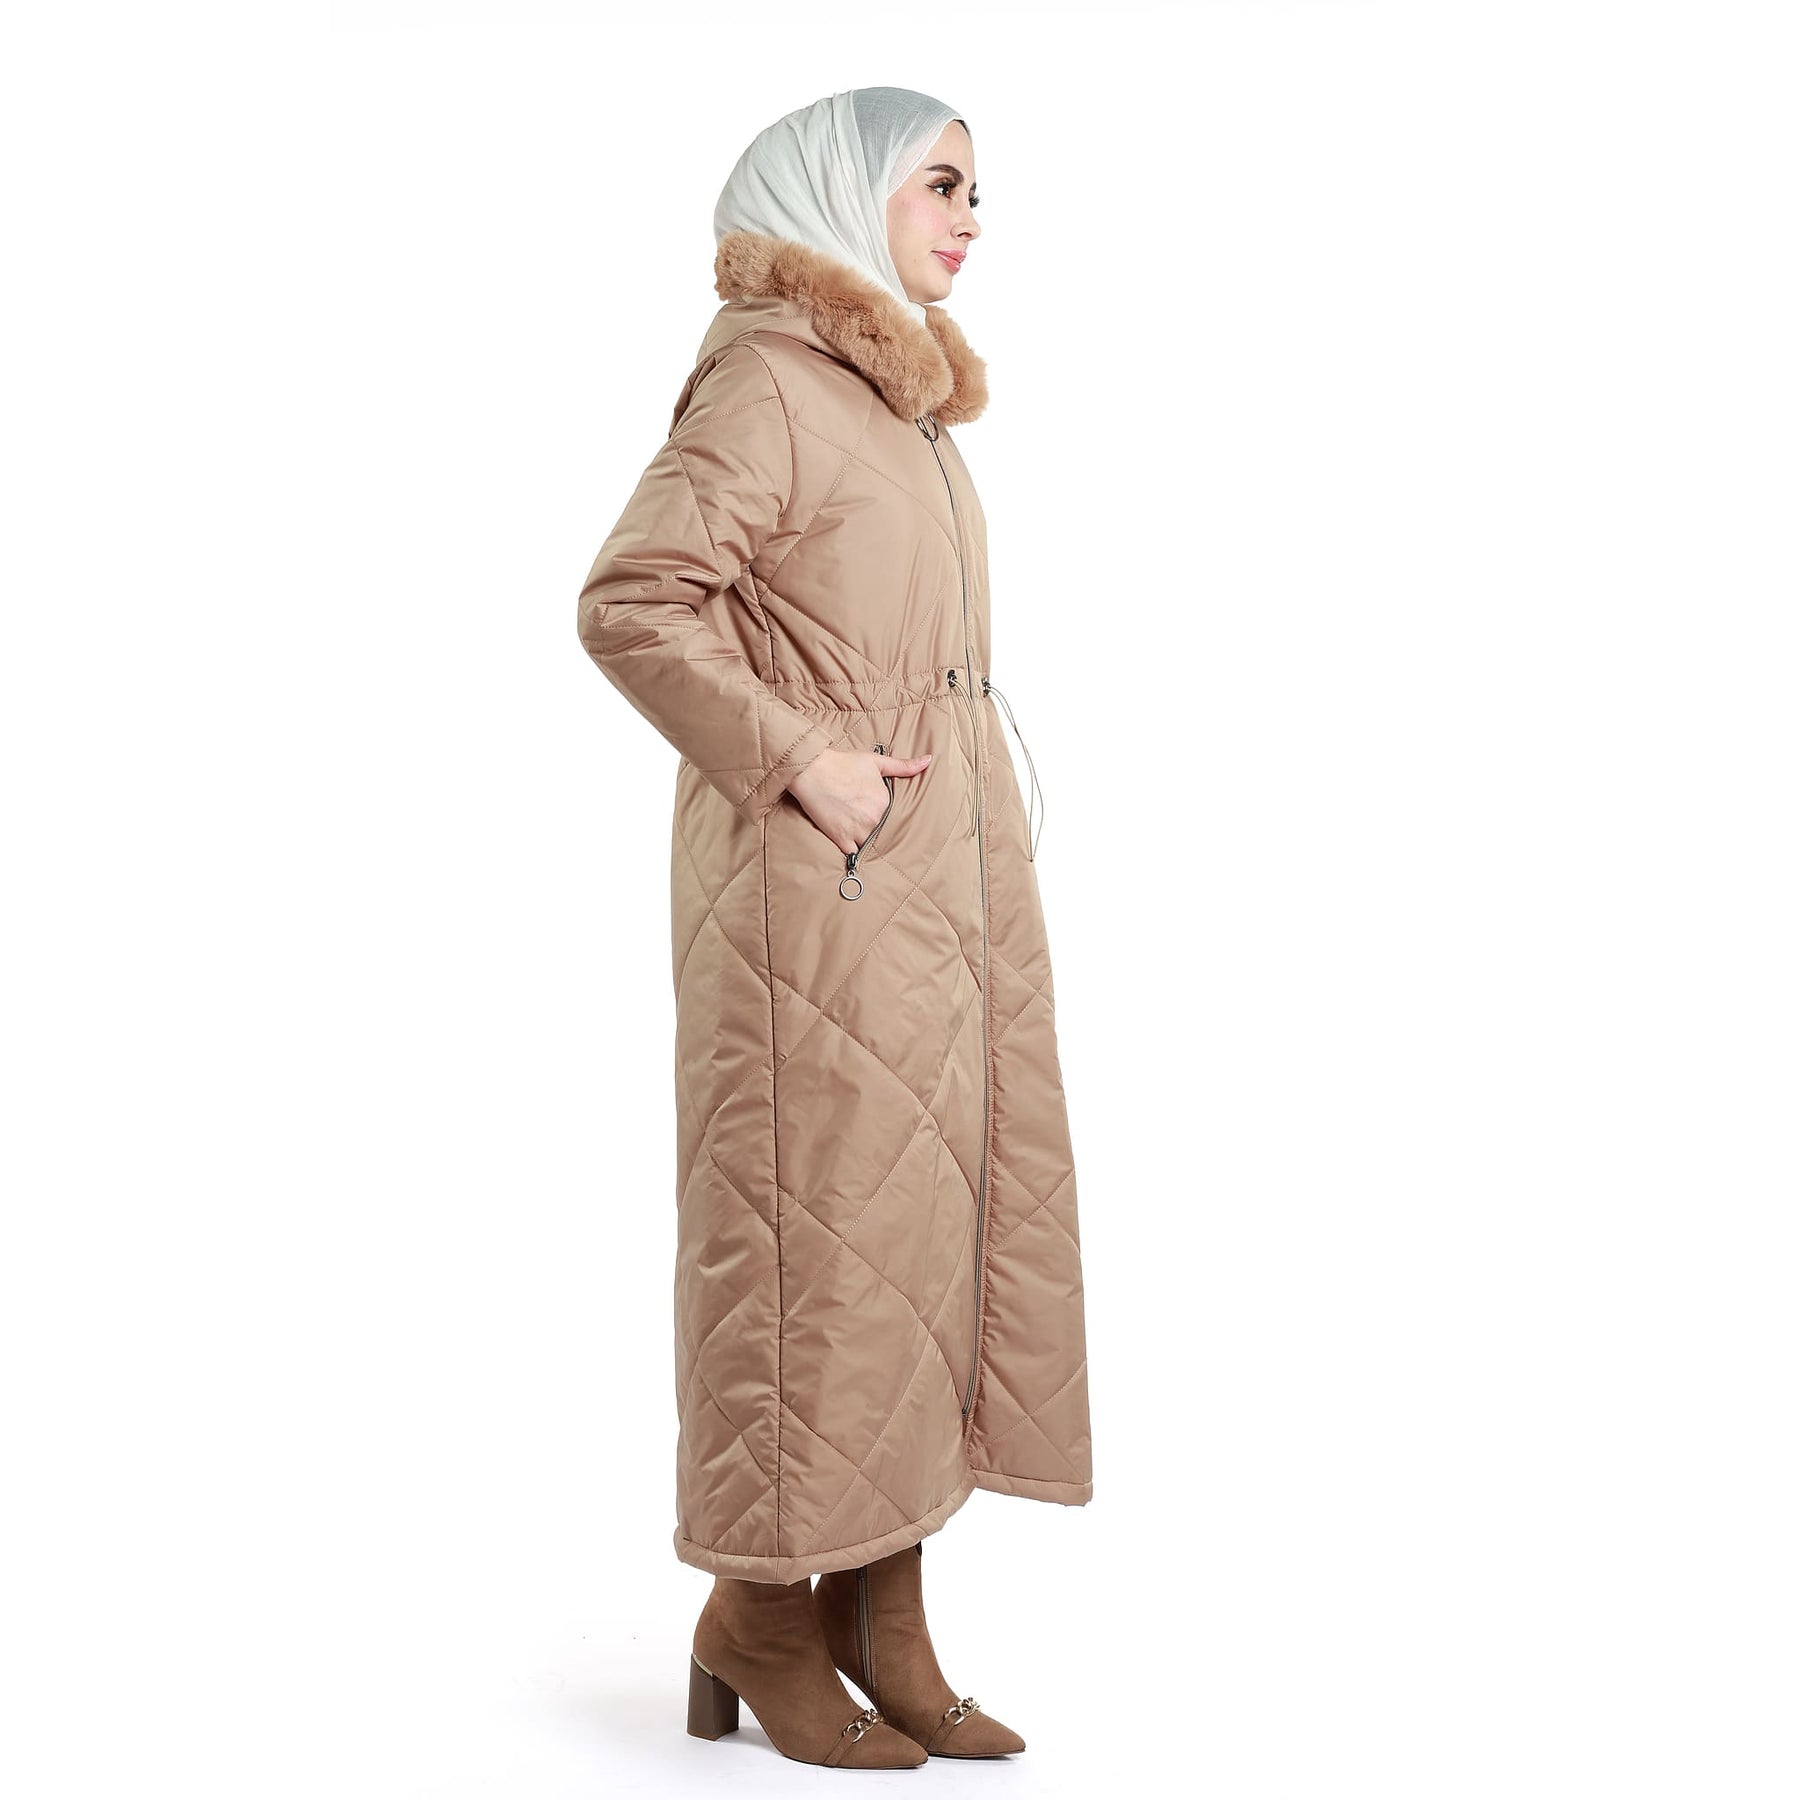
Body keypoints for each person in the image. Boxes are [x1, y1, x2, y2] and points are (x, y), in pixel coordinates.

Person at [575, 86, 1092, 1768]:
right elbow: (631, 600)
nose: (970, 218)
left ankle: (887, 1616)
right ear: (842, 194)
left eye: (974, 189)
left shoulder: (894, 402)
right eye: (941, 185)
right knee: (805, 1257)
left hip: (935, 895)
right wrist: (803, 758)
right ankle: (760, 1614)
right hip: (816, 904)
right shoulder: (771, 385)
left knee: (914, 1257)